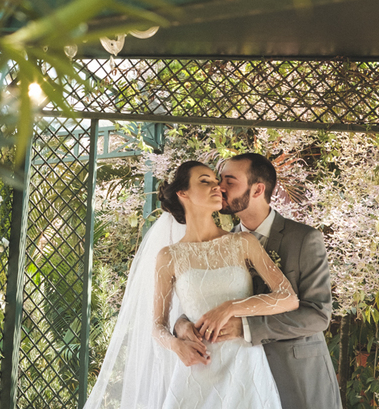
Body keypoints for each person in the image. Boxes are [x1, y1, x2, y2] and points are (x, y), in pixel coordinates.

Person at [84, 161, 299, 409]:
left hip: (245, 370)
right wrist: (176, 345)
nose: (217, 187)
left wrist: (230, 307)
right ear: (182, 193)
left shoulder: (243, 242)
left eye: (216, 182)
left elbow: (288, 297)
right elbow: (157, 326)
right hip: (196, 370)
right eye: (205, 181)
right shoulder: (169, 257)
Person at [173, 153, 342, 409]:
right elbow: (198, 299)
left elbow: (318, 315)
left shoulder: (303, 239)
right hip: (237, 380)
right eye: (219, 180)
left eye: (230, 181)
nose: (220, 187)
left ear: (257, 189)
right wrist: (182, 326)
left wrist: (246, 327)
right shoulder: (224, 244)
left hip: (296, 375)